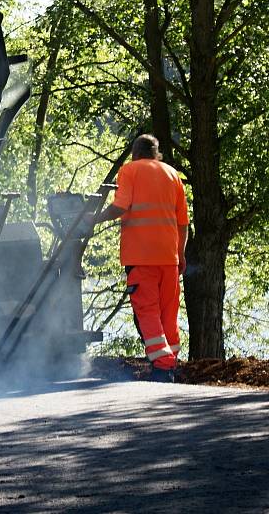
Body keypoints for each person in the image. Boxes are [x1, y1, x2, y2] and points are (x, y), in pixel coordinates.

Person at [88, 134, 189, 382]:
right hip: (169, 257)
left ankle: (162, 367)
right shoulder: (172, 174)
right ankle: (169, 365)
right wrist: (181, 253)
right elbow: (183, 222)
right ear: (157, 153)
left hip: (141, 257)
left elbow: (120, 207)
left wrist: (93, 219)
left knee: (147, 311)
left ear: (135, 153)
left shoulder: (130, 170)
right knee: (168, 313)